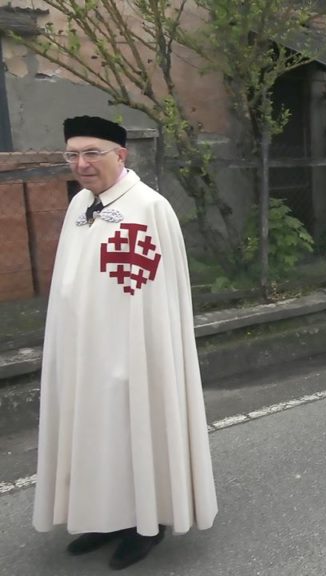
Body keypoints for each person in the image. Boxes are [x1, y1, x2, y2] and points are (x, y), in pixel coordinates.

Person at [34, 116, 217, 570]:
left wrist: (139, 355)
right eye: (73, 154)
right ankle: (106, 517)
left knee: (136, 430)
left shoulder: (148, 208)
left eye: (92, 152)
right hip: (83, 355)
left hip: (133, 354)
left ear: (121, 154)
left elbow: (156, 296)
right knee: (94, 436)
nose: (81, 163)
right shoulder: (80, 205)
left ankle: (145, 525)